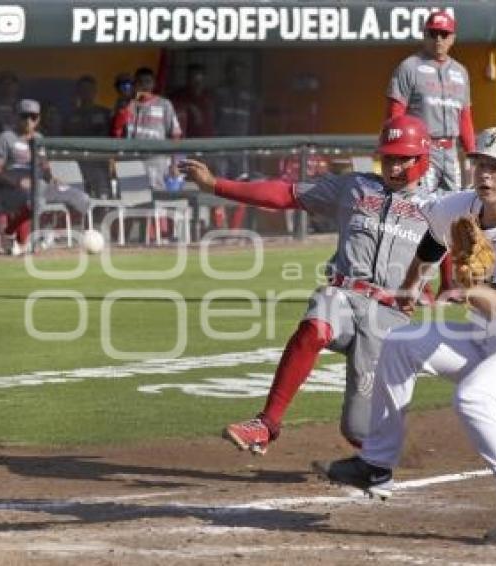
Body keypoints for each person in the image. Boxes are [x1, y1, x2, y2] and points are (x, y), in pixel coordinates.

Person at [316, 127, 496, 544]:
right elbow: (431, 242)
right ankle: (376, 465)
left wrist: (464, 289)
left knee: (476, 398)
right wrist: (408, 287)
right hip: (487, 340)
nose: (485, 175)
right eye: (480, 164)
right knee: (399, 341)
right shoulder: (462, 205)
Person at [181, 115, 453, 455]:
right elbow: (285, 194)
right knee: (317, 320)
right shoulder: (354, 187)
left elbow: (459, 241)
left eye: (402, 158)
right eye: (388, 157)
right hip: (345, 293)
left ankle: (378, 460)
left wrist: (449, 284)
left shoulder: (441, 205)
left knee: (359, 430)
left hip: (389, 318)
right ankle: (266, 424)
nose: (393, 166)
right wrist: (216, 186)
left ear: (421, 158)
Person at [386, 10, 476, 192]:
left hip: (451, 151)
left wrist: (472, 153)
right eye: (433, 33)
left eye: (444, 34)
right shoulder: (409, 67)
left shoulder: (460, 71)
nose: (438, 39)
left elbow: (465, 117)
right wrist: (397, 152)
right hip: (422, 150)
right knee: (422, 204)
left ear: (453, 38)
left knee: (454, 204)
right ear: (424, 35)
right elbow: (395, 115)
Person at [0, 99, 91, 253]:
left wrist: (52, 178)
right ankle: (10, 233)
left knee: (81, 199)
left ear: (38, 119)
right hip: (14, 188)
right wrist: (16, 181)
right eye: (24, 116)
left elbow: (44, 165)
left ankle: (51, 234)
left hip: (39, 183)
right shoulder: (6, 137)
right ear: (16, 116)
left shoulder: (39, 138)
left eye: (33, 117)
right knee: (36, 201)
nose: (29, 120)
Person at [111, 66, 182, 191]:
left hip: (155, 160)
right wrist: (128, 105)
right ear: (135, 84)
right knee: (132, 196)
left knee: (155, 195)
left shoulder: (164, 104)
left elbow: (175, 135)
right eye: (140, 82)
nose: (144, 85)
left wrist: (174, 163)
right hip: (130, 160)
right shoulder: (126, 104)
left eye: (148, 81)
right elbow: (116, 132)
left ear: (154, 84)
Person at [65, 75, 113, 197]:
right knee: (78, 195)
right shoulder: (70, 115)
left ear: (95, 92)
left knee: (102, 195)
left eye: (89, 89)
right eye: (83, 89)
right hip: (77, 162)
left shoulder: (105, 113)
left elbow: (113, 136)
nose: (86, 93)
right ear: (78, 92)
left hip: (99, 162)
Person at [171, 63, 215, 138]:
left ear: (204, 78)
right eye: (193, 77)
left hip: (208, 141)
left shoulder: (210, 96)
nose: (197, 82)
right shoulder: (178, 96)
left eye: (199, 80)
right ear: (187, 79)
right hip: (187, 141)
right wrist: (189, 107)